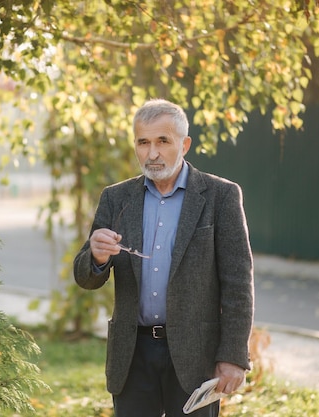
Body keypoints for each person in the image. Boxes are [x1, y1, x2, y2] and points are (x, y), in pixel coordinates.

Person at [73, 99, 254, 417]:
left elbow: (238, 283)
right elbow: (86, 276)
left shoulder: (220, 196)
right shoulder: (116, 198)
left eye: (162, 141)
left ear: (184, 144)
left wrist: (233, 356)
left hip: (196, 356)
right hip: (132, 356)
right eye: (143, 142)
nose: (152, 153)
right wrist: (97, 257)